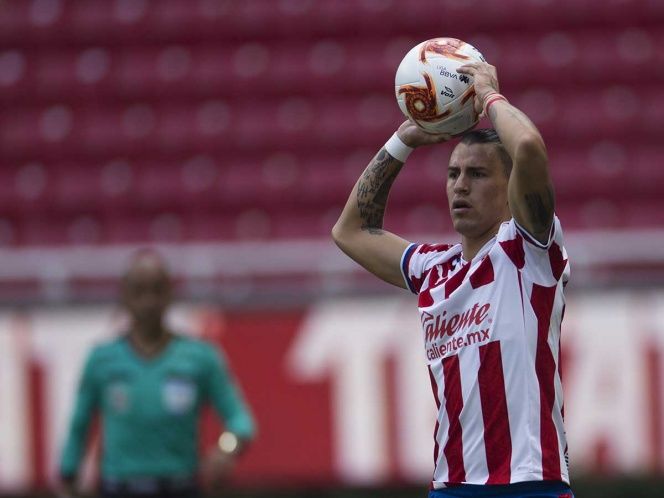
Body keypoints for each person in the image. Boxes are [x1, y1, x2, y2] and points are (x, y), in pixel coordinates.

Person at [332, 60, 574, 498]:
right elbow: (350, 231)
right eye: (453, 173)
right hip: (452, 486)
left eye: (477, 174)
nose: (460, 186)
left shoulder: (527, 251)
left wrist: (488, 96)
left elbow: (528, 147)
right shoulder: (433, 268)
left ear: (511, 187)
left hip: (531, 483)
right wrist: (403, 140)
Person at [59, 250, 256, 498]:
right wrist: (68, 475)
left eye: (157, 290)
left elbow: (240, 421)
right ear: (125, 296)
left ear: (170, 294)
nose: (148, 301)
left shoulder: (200, 357)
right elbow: (80, 425)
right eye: (139, 291)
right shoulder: (102, 360)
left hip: (180, 487)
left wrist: (226, 449)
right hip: (119, 488)